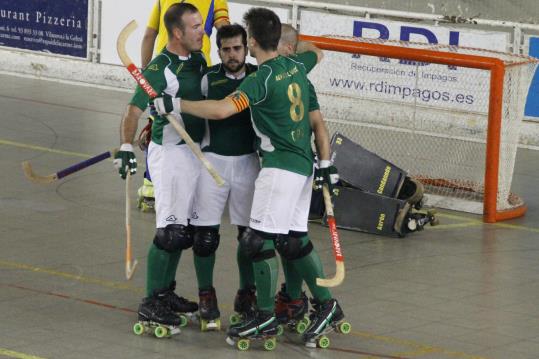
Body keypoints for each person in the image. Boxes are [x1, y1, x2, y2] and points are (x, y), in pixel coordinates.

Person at [154, 8, 346, 346]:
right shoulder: (296, 66)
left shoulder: (262, 78)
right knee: (294, 241)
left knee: (258, 242)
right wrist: (327, 163)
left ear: (252, 42)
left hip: (280, 168)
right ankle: (327, 308)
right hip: (305, 167)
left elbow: (222, 109)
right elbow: (316, 53)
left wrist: (175, 104)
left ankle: (265, 316)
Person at [114, 3, 207, 330]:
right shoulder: (158, 68)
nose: (202, 32)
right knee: (169, 232)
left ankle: (165, 293)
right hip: (170, 157)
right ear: (178, 33)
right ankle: (151, 303)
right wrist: (126, 145)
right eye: (195, 27)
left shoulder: (197, 59)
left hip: (195, 154)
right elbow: (133, 109)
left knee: (182, 234)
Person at [190, 23, 259, 330]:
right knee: (204, 239)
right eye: (226, 49)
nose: (232, 55)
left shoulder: (260, 77)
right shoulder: (208, 79)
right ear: (218, 51)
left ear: (247, 47)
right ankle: (206, 296)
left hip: (249, 164)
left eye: (237, 48)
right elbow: (188, 113)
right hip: (212, 164)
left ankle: (247, 295)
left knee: (249, 238)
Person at [138, 0, 230, 212]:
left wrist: (147, 72)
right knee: (193, 127)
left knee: (159, 128)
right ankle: (186, 189)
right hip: (195, 74)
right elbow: (224, 29)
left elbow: (149, 35)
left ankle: (152, 191)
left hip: (165, 70)